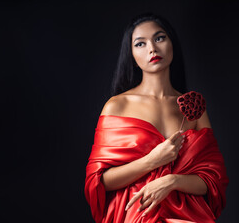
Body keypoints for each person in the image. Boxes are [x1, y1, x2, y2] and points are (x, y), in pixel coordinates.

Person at [85, 12, 229, 223]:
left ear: (172, 44)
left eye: (159, 38)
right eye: (140, 44)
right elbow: (101, 181)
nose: (152, 48)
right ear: (131, 55)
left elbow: (212, 180)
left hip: (189, 215)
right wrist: (152, 160)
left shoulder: (194, 108)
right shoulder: (117, 106)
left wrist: (172, 181)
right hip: (139, 214)